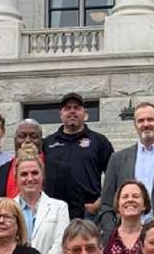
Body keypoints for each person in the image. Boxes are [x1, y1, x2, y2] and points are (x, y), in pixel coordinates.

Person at [99, 102, 154, 230]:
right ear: (135, 125)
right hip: (126, 234)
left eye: (150, 119)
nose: (146, 124)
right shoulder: (117, 159)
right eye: (141, 121)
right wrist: (111, 233)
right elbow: (107, 204)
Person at [43, 92, 114, 220]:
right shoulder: (48, 143)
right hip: (53, 214)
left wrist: (98, 204)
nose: (72, 111)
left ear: (85, 113)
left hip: (88, 214)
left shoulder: (99, 141)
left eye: (77, 108)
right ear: (61, 114)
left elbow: (114, 175)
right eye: (67, 108)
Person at [12, 153, 71, 254]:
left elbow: (60, 246)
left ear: (42, 176)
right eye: (24, 174)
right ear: (15, 178)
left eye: (35, 173)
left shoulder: (59, 208)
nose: (30, 178)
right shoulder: (8, 208)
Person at [0, 119, 45, 202]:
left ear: (41, 140)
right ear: (15, 140)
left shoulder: (58, 171)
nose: (28, 140)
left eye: (34, 137)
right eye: (22, 136)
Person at [100, 180, 150, 254]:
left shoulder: (152, 237)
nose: (130, 200)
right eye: (125, 197)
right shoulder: (105, 238)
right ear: (118, 205)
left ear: (144, 205)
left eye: (135, 196)